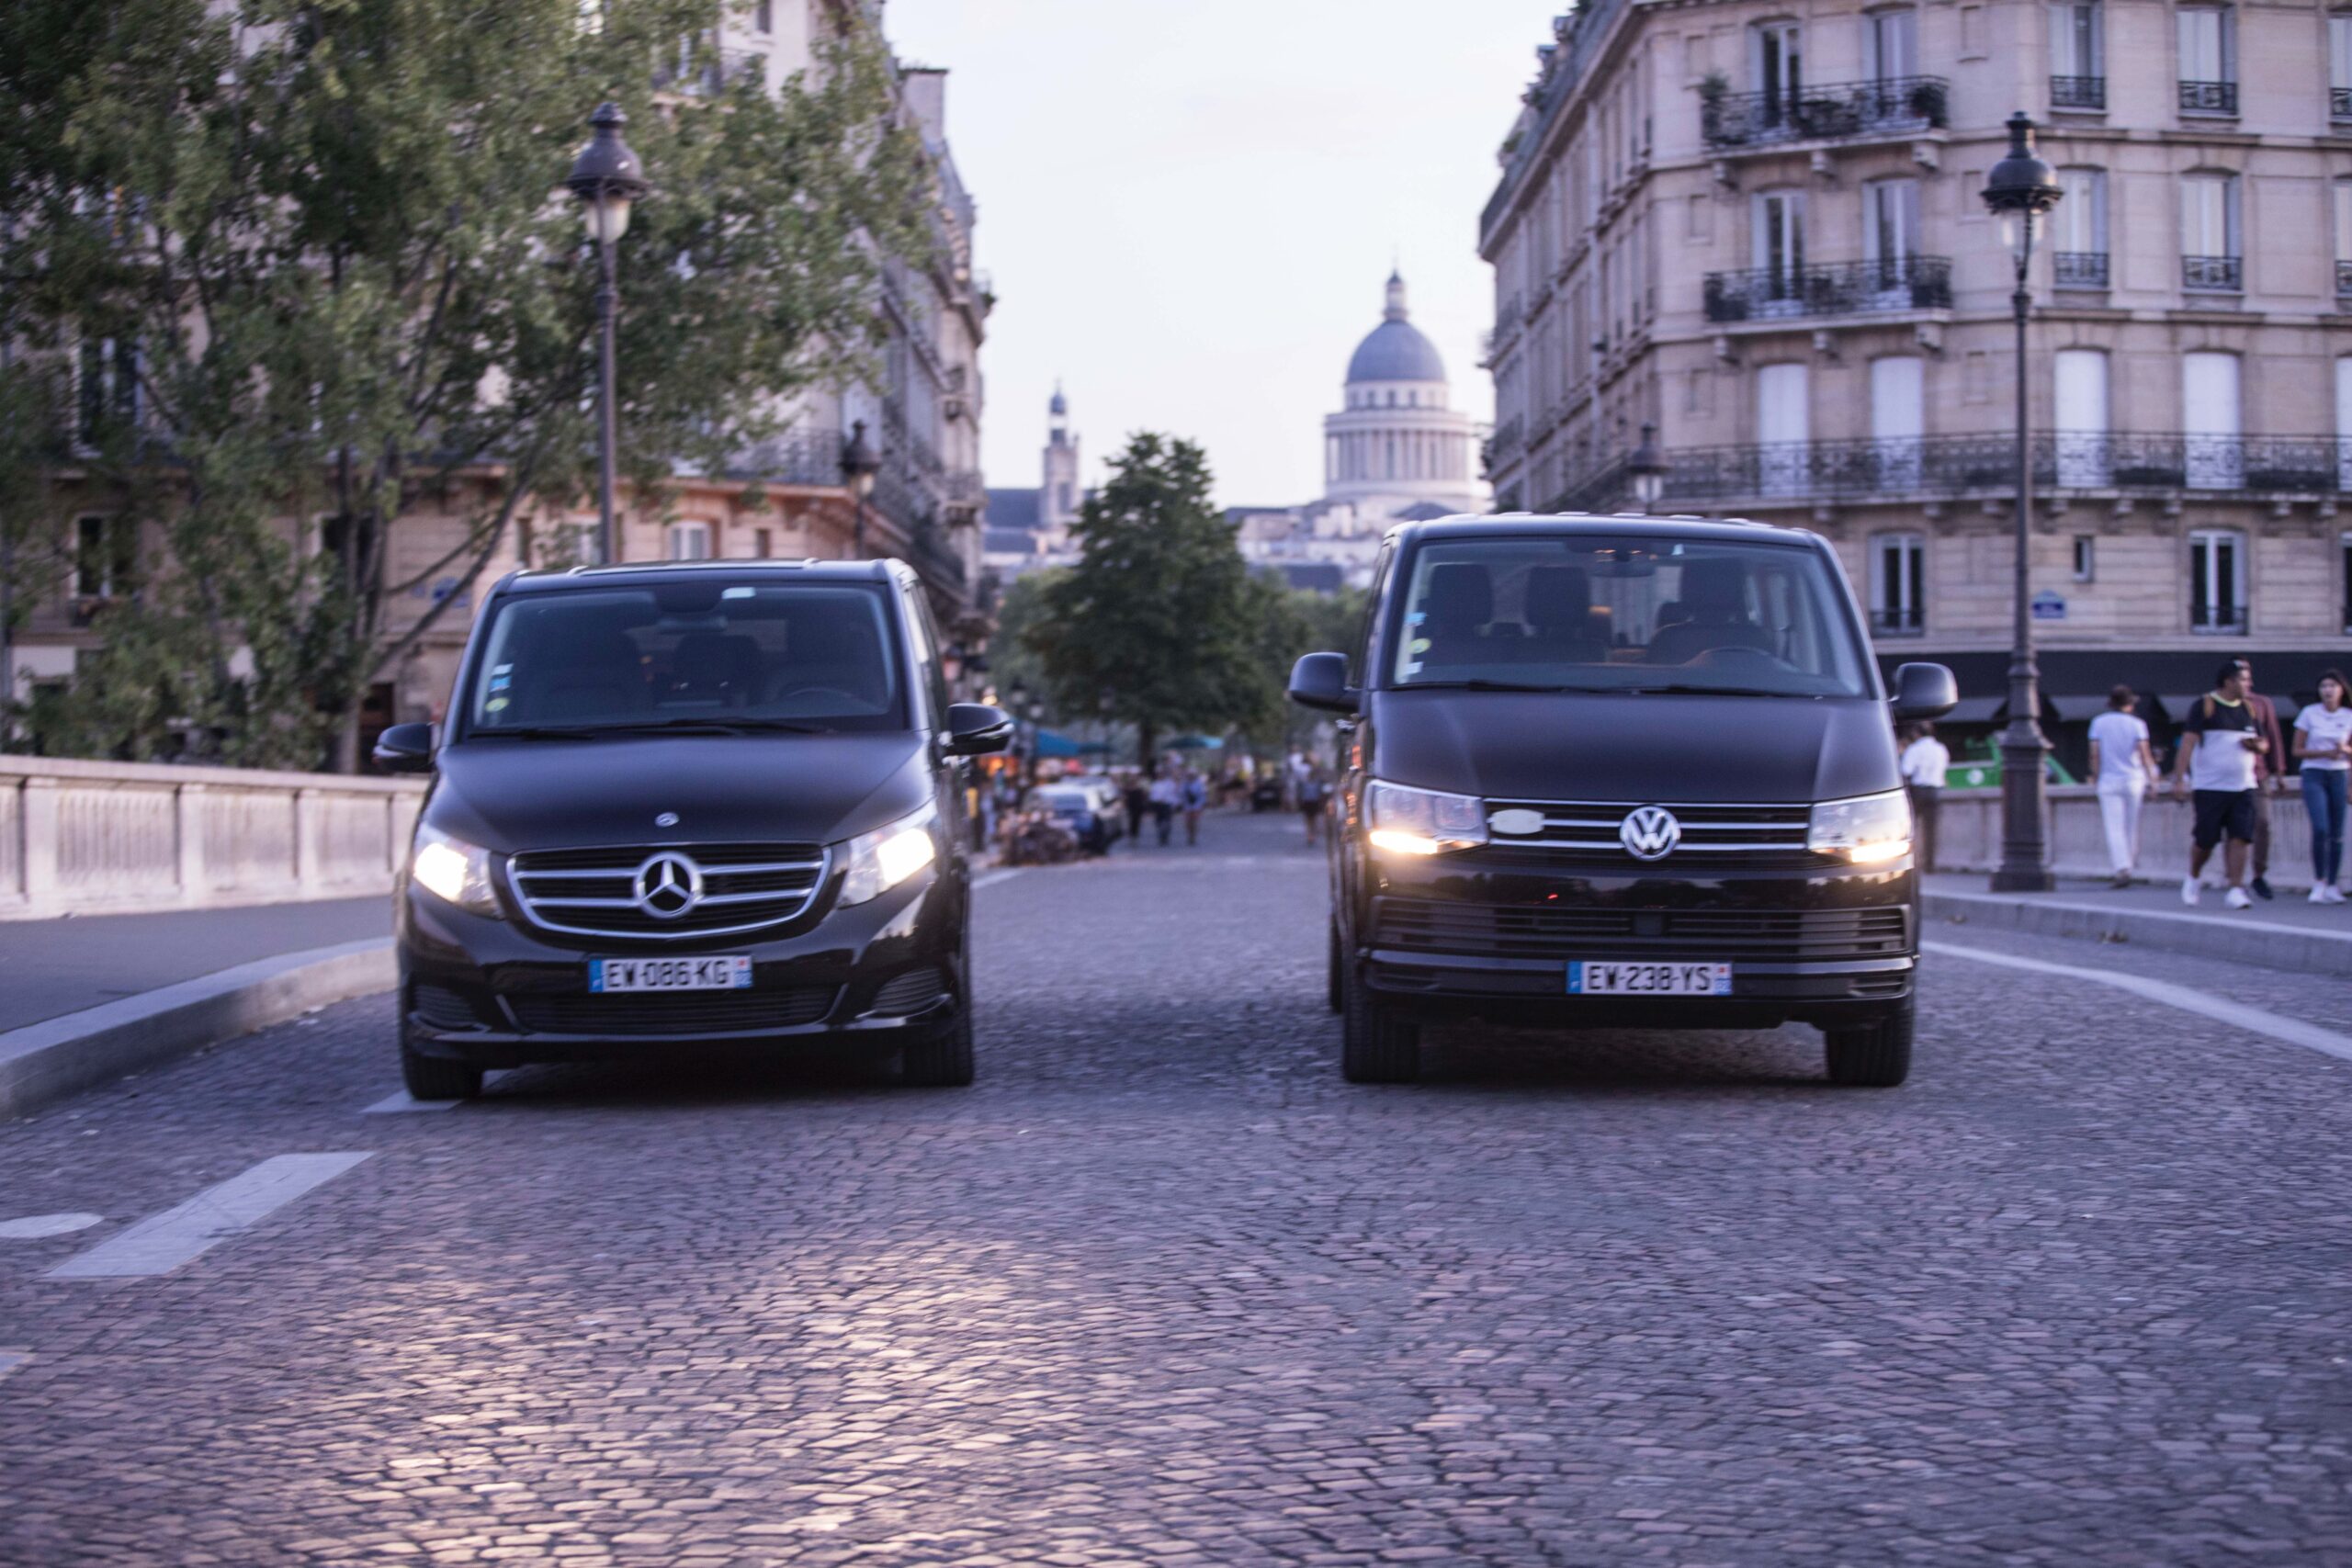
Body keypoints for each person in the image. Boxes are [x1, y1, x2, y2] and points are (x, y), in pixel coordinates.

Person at [2172, 660, 2269, 909]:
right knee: (2206, 839)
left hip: (2243, 785)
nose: (2250, 684)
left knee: (2242, 837)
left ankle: (2236, 888)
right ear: (2229, 682)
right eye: (2244, 680)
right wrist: (2180, 779)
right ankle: (2193, 876)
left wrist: (2258, 747)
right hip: (2210, 786)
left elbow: (2263, 742)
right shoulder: (2205, 706)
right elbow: (2188, 743)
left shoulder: (2249, 709)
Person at [2087, 685, 2161, 888]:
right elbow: (2144, 754)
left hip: (2108, 779)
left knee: (2114, 827)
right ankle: (2130, 862)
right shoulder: (2137, 724)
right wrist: (2153, 780)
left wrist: (2095, 775)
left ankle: (2122, 867)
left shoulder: (2098, 723)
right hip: (2133, 779)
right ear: (2129, 705)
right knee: (2131, 824)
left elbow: (2095, 754)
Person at [2233, 658, 2290, 900]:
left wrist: (2280, 771)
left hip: (2258, 773)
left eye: (2248, 677)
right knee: (2234, 830)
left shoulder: (2262, 703)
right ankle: (2234, 880)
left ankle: (2258, 874)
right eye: (2241, 678)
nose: (2247, 683)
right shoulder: (2218, 704)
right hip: (2230, 775)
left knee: (2263, 823)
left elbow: (2273, 736)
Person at [2294, 668, 2352, 904]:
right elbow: (2297, 750)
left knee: (2337, 833)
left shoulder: (2348, 715)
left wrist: (2344, 751)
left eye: (2332, 686)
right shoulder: (2309, 713)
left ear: (2341, 690)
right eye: (2323, 686)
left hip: (2339, 774)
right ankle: (2319, 880)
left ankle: (2332, 882)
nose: (2327, 691)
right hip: (2314, 772)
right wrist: (2324, 752)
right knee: (2321, 828)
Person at [1897, 722, 1949, 873]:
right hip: (1935, 791)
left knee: (1911, 828)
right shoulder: (1941, 749)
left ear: (1916, 734)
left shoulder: (1914, 749)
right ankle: (1930, 865)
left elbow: (1906, 770)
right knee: (1931, 829)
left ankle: (1910, 861)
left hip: (1918, 791)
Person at [1147, 768, 1180, 846]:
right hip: (1158, 805)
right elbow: (1152, 795)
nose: (1160, 775)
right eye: (1159, 774)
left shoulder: (1170, 784)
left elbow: (1174, 794)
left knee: (1166, 822)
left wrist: (1175, 804)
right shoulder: (1155, 784)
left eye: (1162, 773)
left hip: (1167, 805)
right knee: (1158, 822)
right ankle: (1161, 836)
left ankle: (1165, 836)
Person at [1299, 765, 1329, 844]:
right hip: (1311, 802)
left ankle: (1310, 835)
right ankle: (1311, 835)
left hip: (1310, 802)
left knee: (1311, 820)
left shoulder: (1314, 783)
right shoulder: (1313, 783)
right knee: (1311, 820)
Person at [1180, 767, 1207, 846]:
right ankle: (1189, 835)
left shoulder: (1199, 784)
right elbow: (1181, 794)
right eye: (1189, 775)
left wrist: (1202, 804)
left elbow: (1203, 795)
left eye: (1192, 774)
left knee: (1195, 822)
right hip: (1187, 806)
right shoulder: (1184, 784)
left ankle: (1193, 836)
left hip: (1196, 806)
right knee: (1188, 823)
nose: (1191, 776)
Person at [1120, 771, 1148, 843]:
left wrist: (1144, 810)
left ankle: (1134, 835)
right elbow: (1124, 799)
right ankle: (1131, 835)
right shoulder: (1127, 790)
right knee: (1131, 822)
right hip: (1131, 808)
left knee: (1136, 822)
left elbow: (1142, 799)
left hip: (1138, 808)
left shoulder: (1139, 790)